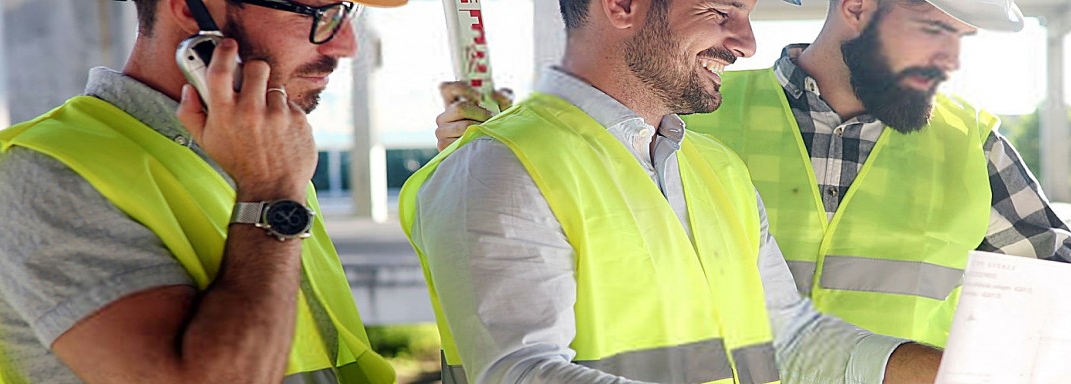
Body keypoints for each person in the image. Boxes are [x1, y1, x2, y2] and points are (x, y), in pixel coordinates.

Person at [435, 0, 1071, 374]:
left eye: (964, 37)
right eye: (933, 25)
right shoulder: (698, 118)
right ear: (858, 6)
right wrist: (500, 153)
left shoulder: (965, 144)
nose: (950, 58)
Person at [399, 0, 958, 382]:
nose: (746, 41)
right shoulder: (502, 165)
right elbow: (519, 371)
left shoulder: (715, 169)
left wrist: (959, 372)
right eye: (721, 11)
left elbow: (790, 338)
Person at [0, 0, 405, 382]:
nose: (344, 44)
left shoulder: (259, 158)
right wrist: (272, 198)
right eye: (316, 12)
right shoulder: (43, 174)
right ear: (189, 8)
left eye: (346, 12)